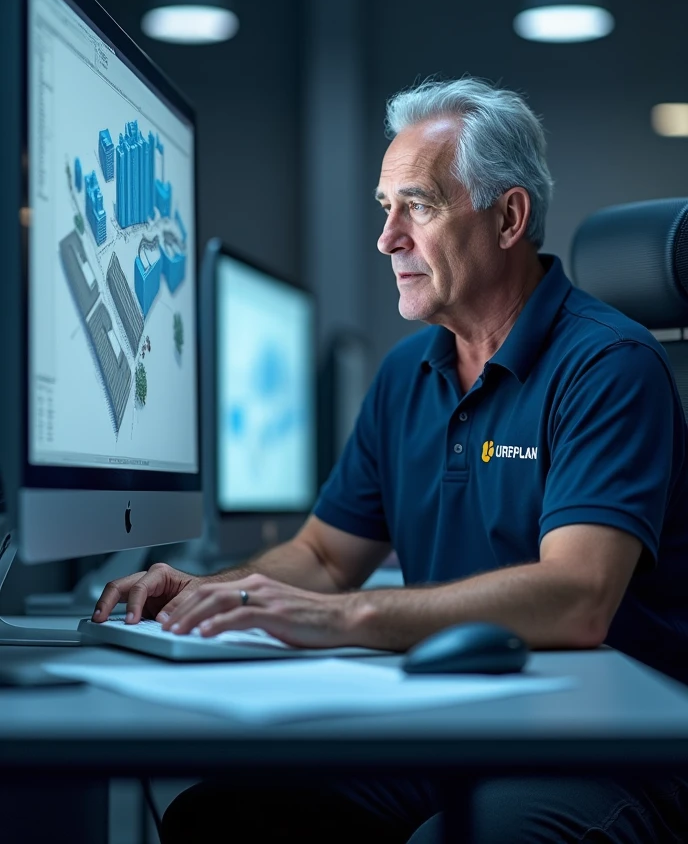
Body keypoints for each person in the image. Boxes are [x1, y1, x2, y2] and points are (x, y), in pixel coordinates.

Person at [94, 78, 688, 843]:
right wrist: (207, 593)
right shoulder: (409, 374)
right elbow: (324, 555)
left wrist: (338, 618)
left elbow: (578, 598)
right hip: (464, 714)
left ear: (508, 217)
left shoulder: (609, 363)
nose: (388, 238)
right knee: (221, 815)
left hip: (605, 743)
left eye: (420, 205)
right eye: (385, 208)